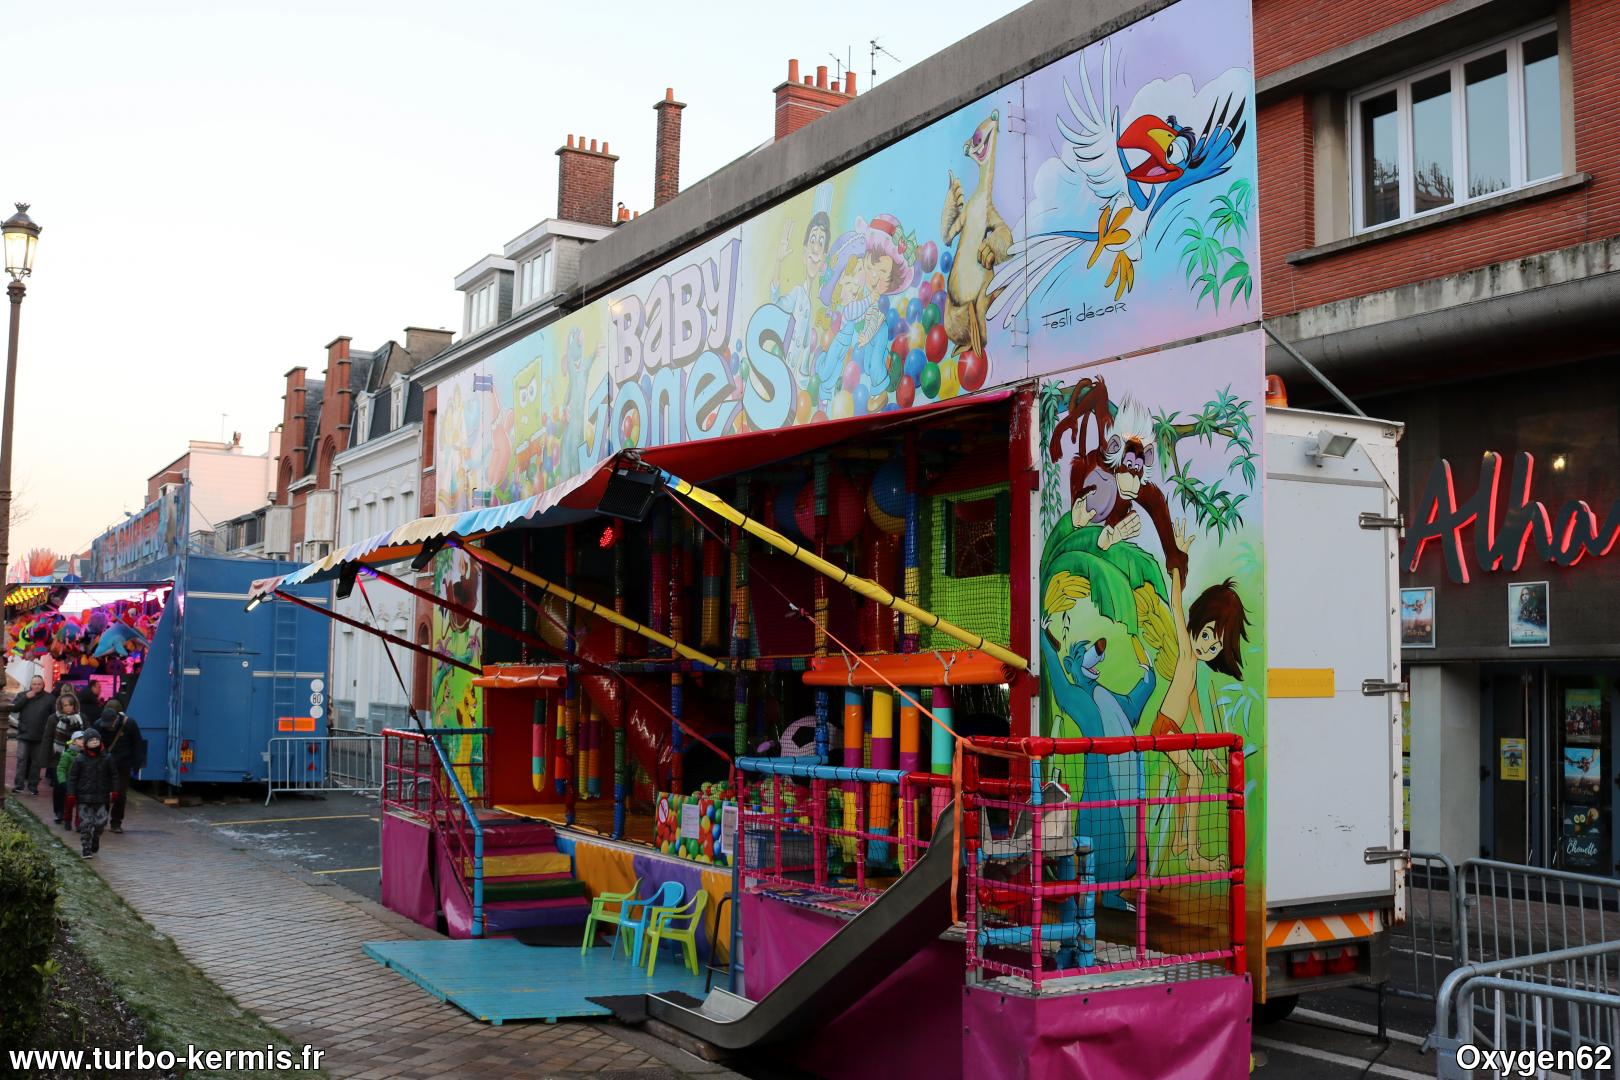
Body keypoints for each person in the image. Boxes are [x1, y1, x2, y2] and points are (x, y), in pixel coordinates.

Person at [95, 701, 143, 833]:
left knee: (120, 794)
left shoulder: (129, 724)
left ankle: (116, 822)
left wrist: (137, 764)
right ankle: (102, 819)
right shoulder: (99, 725)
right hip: (104, 764)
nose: (108, 727)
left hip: (123, 764)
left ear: (116, 718)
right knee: (103, 793)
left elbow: (137, 744)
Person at [68, 731, 115, 857]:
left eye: (97, 740)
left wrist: (114, 790)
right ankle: (86, 847)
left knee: (101, 822)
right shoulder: (79, 759)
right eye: (91, 740)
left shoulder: (107, 758)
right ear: (86, 743)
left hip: (101, 796)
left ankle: (96, 837)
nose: (94, 742)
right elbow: (73, 778)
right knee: (85, 823)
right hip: (84, 796)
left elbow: (114, 775)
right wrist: (71, 794)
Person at [9, 675, 56, 794]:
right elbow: (13, 709)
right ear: (30, 685)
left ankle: (33, 787)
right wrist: (25, 698)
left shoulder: (50, 698)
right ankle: (19, 785)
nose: (36, 686)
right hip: (24, 734)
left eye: (39, 684)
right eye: (34, 684)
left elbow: (54, 716)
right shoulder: (22, 695)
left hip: (40, 736)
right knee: (21, 760)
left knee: (36, 763)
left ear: (43, 685)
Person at [48, 689, 83, 798]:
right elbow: (47, 738)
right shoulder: (53, 718)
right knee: (59, 785)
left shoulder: (81, 718)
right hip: (58, 755)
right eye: (65, 705)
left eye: (70, 705)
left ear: (75, 706)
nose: (68, 707)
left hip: (76, 756)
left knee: (74, 784)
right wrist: (45, 758)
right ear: (61, 706)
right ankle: (59, 808)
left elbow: (86, 735)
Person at [56, 730, 84, 831]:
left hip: (81, 784)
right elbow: (61, 769)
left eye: (84, 739)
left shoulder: (86, 755)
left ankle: (79, 824)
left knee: (81, 805)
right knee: (69, 804)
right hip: (70, 784)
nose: (83, 741)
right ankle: (67, 820)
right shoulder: (67, 755)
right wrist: (63, 781)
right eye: (80, 739)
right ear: (74, 741)